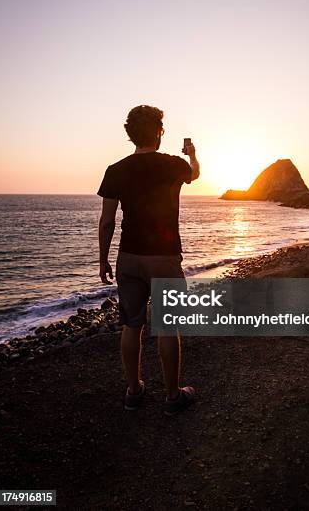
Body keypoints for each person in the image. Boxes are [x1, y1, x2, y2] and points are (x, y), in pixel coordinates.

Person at [97, 105, 200, 415]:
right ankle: (172, 397)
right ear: (158, 131)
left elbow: (107, 221)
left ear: (131, 134)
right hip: (164, 258)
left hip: (128, 257)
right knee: (169, 326)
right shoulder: (173, 165)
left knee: (131, 325)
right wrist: (193, 154)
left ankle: (134, 391)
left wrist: (103, 260)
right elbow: (195, 173)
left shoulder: (115, 170)